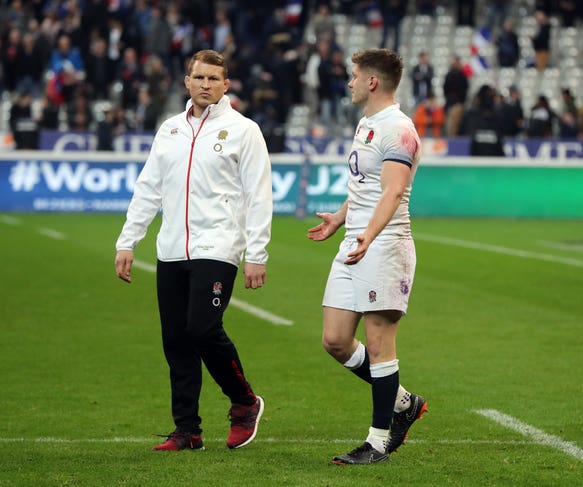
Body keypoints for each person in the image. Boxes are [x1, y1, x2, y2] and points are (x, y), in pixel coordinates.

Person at [115, 49, 272, 452]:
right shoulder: (169, 129)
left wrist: (257, 253)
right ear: (187, 81)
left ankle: (244, 402)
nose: (205, 85)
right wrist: (128, 240)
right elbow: (149, 187)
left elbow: (259, 196)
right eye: (198, 78)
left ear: (226, 85)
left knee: (202, 329)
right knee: (176, 341)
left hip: (218, 245)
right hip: (170, 249)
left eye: (213, 79)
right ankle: (187, 430)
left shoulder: (244, 130)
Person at [307, 48, 427, 465]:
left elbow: (393, 191)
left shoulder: (399, 129)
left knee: (379, 344)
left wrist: (368, 237)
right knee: (336, 340)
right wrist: (339, 220)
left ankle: (377, 443)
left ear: (373, 81)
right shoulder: (367, 124)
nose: (350, 82)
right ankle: (404, 402)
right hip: (356, 242)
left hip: (385, 245)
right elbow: (365, 185)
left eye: (355, 75)